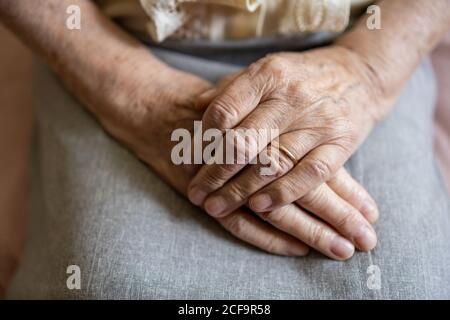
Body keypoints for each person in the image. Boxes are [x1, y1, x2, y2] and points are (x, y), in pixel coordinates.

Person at [1, 0, 449, 299]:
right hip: (108, 37)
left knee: (406, 287)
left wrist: (367, 69)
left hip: (368, 34)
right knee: (105, 284)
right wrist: (138, 96)